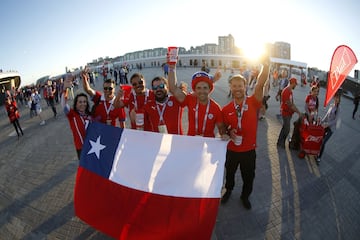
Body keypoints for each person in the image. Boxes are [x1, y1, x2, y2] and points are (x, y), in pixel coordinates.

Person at [220, 57, 270, 209]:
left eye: (240, 86)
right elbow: (223, 128)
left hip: (249, 150)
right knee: (229, 174)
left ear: (245, 86)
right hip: (232, 150)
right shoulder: (226, 109)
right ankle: (228, 190)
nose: (237, 89)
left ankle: (245, 196)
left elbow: (260, 84)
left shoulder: (253, 101)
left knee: (248, 176)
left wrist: (266, 66)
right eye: (234, 86)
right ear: (230, 87)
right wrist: (229, 131)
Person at [168, 65, 225, 138]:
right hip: (192, 141)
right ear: (195, 90)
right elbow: (173, 89)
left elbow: (221, 127)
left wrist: (224, 134)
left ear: (209, 89)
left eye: (205, 88)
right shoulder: (190, 99)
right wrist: (172, 67)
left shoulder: (216, 108)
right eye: (199, 88)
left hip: (208, 143)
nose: (202, 91)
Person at [62, 75, 92, 160]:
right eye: (80, 102)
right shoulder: (72, 115)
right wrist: (65, 90)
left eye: (84, 102)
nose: (83, 104)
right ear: (76, 104)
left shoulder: (90, 115)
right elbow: (63, 105)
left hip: (92, 146)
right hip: (81, 148)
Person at [317, 91, 341, 165]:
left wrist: (327, 124)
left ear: (339, 100)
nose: (336, 99)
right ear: (334, 98)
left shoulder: (338, 109)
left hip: (331, 129)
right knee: (321, 140)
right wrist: (322, 121)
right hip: (326, 126)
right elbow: (327, 115)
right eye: (336, 97)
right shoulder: (331, 105)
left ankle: (319, 157)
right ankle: (317, 152)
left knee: (324, 142)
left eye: (338, 98)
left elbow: (335, 120)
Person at [277, 77, 301, 148]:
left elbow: (291, 103)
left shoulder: (290, 91)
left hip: (288, 113)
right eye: (295, 84)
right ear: (292, 83)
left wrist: (296, 111)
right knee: (287, 129)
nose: (296, 86)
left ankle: (280, 142)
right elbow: (289, 104)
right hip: (285, 113)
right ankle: (281, 142)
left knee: (285, 128)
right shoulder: (287, 91)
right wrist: (298, 112)